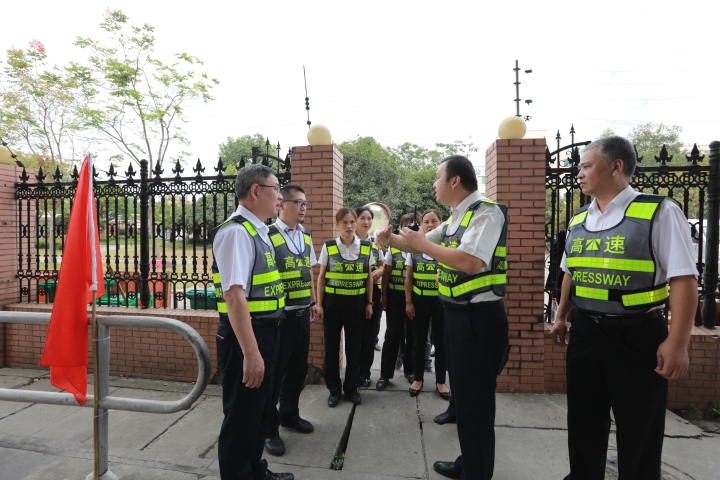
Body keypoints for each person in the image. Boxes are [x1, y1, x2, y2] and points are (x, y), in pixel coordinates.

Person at [550, 136, 698, 480]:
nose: (578, 173)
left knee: (639, 428)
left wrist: (678, 342)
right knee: (583, 422)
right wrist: (561, 317)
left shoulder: (659, 212)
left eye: (586, 166)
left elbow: (683, 278)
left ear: (616, 166)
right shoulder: (579, 219)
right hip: (586, 333)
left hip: (638, 335)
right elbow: (571, 271)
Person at [376, 155, 509, 480]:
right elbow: (415, 246)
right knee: (465, 398)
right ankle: (469, 463)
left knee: (477, 402)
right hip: (458, 316)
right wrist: (389, 239)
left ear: (454, 181)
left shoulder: (486, 212)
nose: (434, 184)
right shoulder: (455, 219)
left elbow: (470, 262)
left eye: (438, 177)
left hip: (479, 318)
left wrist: (421, 242)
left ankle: (476, 472)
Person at [211, 164, 294, 480]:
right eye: (277, 189)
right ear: (256, 191)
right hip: (248, 337)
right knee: (242, 416)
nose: (281, 198)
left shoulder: (259, 231)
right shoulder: (236, 233)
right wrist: (251, 352)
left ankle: (255, 471)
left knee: (258, 412)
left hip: (267, 332)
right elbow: (234, 297)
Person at [263, 185, 319, 457]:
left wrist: (313, 301)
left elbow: (308, 271)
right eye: (298, 202)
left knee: (297, 371)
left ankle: (289, 415)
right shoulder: (268, 235)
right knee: (274, 375)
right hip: (279, 317)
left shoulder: (306, 235)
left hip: (302, 313)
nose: (303, 207)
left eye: (305, 203)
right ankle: (268, 429)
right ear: (282, 204)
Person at [316, 207, 375, 407]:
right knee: (332, 348)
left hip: (356, 305)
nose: (349, 226)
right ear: (337, 224)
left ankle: (351, 388)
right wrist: (319, 304)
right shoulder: (329, 247)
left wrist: (369, 303)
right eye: (344, 222)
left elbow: (369, 278)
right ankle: (334, 390)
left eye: (351, 222)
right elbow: (321, 278)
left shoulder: (366, 247)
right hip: (332, 305)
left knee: (354, 348)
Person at [404, 209, 449, 398]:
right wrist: (408, 302)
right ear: (421, 225)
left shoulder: (445, 248)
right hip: (419, 302)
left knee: (442, 343)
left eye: (434, 221)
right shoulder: (415, 249)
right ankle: (418, 379)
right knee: (419, 342)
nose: (430, 225)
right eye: (426, 222)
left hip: (441, 304)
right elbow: (408, 279)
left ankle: (441, 381)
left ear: (441, 223)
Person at [376, 213, 417, 391]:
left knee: (412, 336)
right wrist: (384, 295)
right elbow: (387, 273)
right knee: (392, 335)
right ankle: (385, 374)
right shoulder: (393, 248)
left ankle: (410, 371)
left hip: (414, 299)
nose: (407, 227)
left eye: (411, 224)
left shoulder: (421, 247)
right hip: (395, 298)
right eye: (404, 225)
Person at [356, 206, 385, 387]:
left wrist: (380, 271)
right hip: (355, 293)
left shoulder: (375, 243)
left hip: (373, 292)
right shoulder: (348, 241)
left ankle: (365, 373)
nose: (366, 222)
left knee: (369, 335)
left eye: (369, 218)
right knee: (355, 335)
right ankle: (353, 372)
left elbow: (382, 265)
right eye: (362, 218)